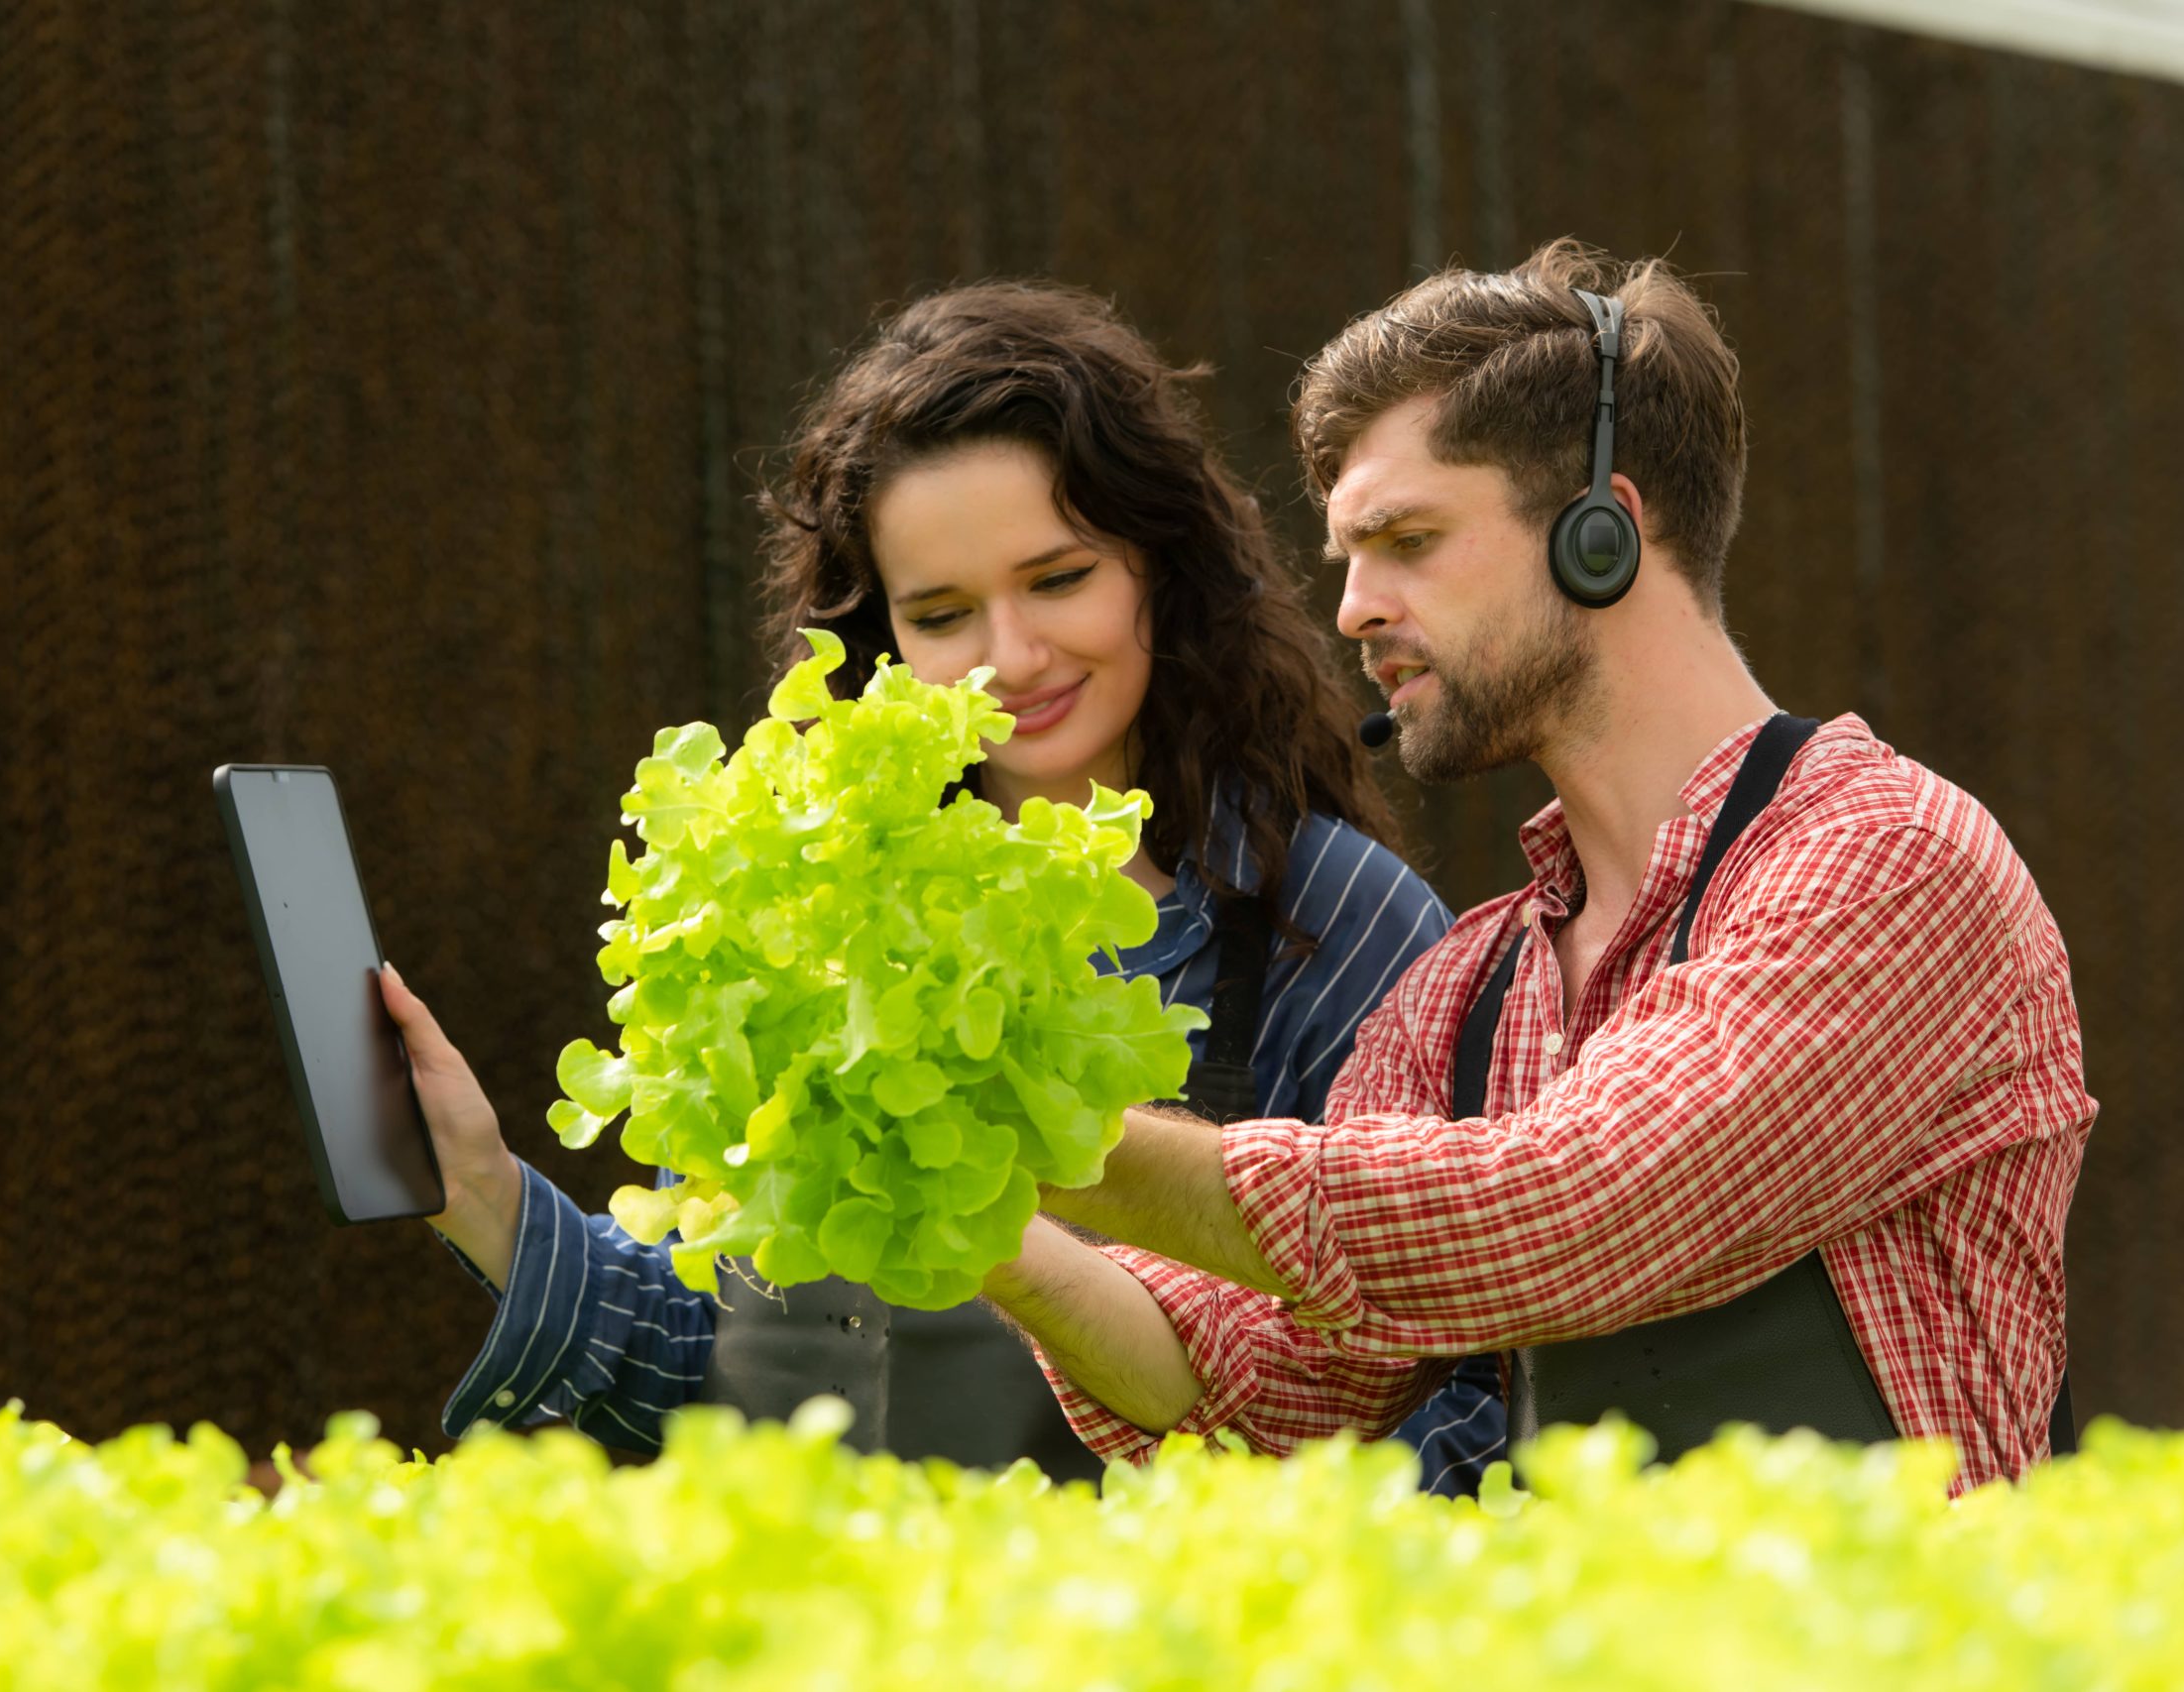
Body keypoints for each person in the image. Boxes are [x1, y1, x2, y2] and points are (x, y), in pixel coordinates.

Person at [981, 241, 2095, 1494]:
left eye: (1406, 539)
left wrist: (1039, 1128)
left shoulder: (1886, 861)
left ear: (1600, 535)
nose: (1350, 607)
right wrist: (974, 1210)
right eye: (1351, 555)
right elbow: (1263, 1391)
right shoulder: (1463, 995)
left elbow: (1574, 1210)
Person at [379, 281, 1505, 1488]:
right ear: (883, 640)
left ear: (1158, 572)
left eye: (1059, 579)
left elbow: (1419, 1407)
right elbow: (710, 1358)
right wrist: (477, 1188)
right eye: (942, 613)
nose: (1010, 659)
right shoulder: (793, 912)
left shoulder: (1330, 920)